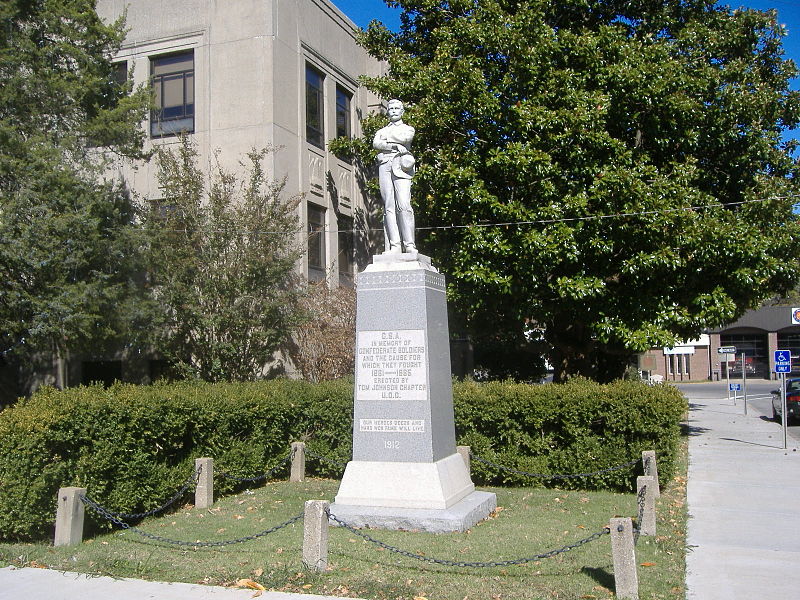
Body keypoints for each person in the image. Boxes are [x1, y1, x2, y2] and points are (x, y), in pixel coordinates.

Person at [373, 99, 416, 253]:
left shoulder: (408, 129)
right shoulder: (381, 131)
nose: (393, 111)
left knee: (404, 205)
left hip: (402, 167)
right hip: (385, 165)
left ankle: (409, 244)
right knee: (388, 207)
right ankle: (394, 245)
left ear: (402, 111)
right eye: (391, 108)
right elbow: (376, 144)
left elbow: (406, 139)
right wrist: (395, 145)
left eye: (397, 108)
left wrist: (387, 142)